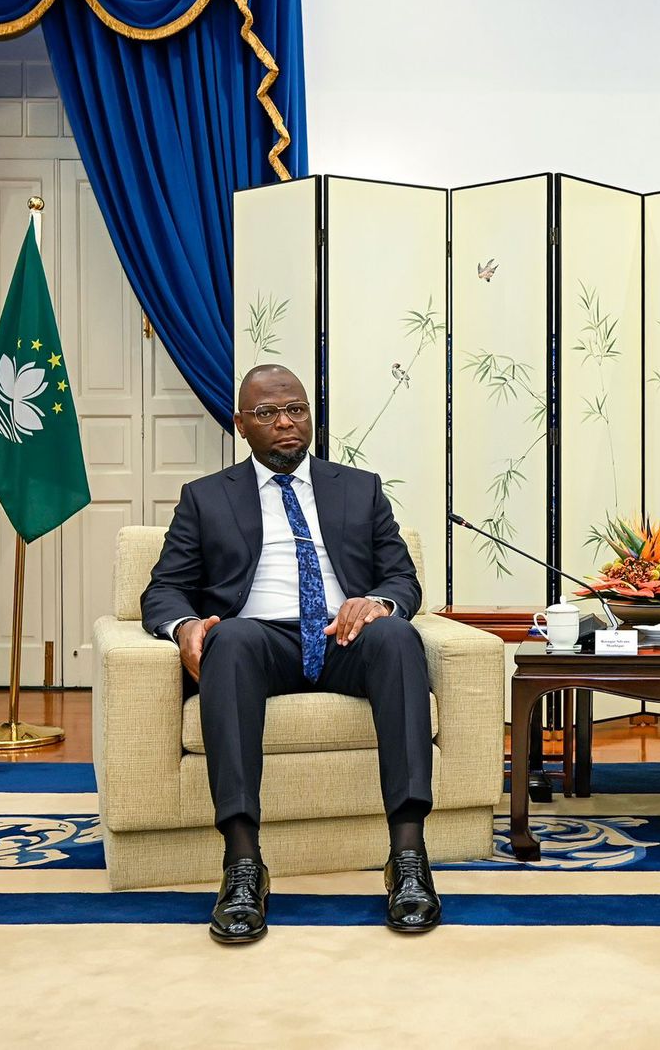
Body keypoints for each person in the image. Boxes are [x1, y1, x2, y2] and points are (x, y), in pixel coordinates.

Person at [142, 363, 438, 943]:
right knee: (228, 639)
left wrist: (377, 602)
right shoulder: (205, 498)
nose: (285, 423)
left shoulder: (360, 488)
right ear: (241, 425)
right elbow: (164, 588)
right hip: (260, 640)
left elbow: (402, 579)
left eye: (296, 410)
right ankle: (243, 865)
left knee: (400, 637)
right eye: (268, 413)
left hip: (342, 635)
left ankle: (408, 858)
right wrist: (184, 627)